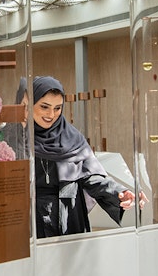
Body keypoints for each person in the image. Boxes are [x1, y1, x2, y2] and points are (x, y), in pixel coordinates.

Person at [29, 75, 136, 237]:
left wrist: (119, 192)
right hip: (31, 218)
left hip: (69, 216)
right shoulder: (19, 138)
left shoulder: (71, 137)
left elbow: (91, 177)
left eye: (57, 108)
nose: (51, 114)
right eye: (44, 107)